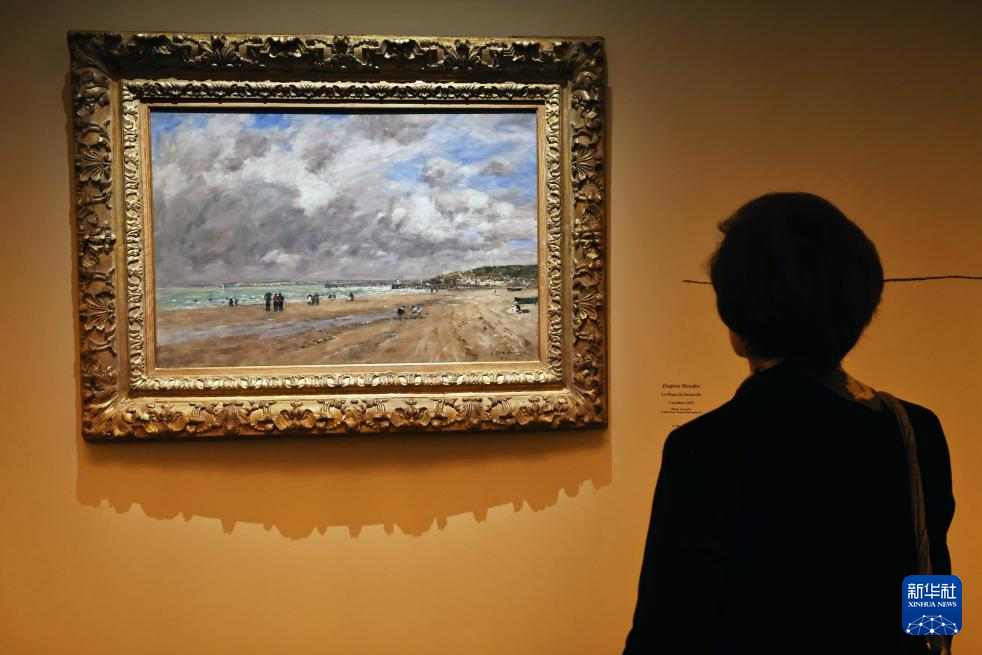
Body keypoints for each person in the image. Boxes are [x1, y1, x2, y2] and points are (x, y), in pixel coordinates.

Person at [624, 193, 955, 655]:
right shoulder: (915, 430)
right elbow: (933, 585)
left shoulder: (705, 449)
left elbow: (668, 632)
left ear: (735, 315)